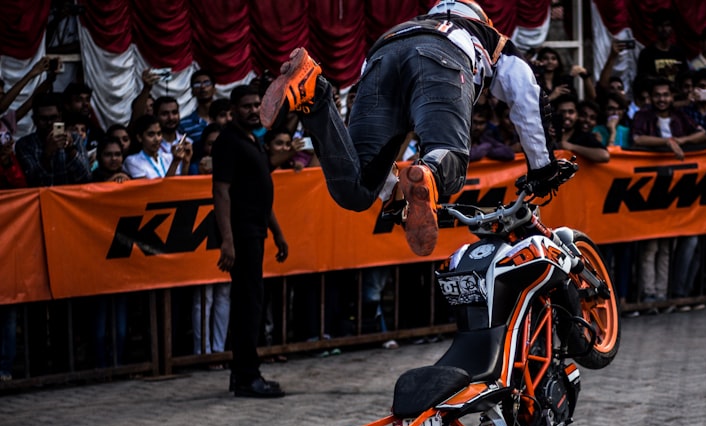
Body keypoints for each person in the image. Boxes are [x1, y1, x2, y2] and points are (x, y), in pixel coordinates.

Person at [259, 0, 561, 257]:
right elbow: (528, 96)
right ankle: (431, 171)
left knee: (357, 189)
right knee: (448, 164)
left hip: (379, 56)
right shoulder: (490, 36)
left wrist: (393, 193)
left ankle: (317, 94)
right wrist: (543, 167)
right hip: (443, 54)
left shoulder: (408, 25)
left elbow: (386, 154)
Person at [213, 84, 289, 397]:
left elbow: (259, 193)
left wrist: (278, 231)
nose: (253, 109)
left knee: (252, 303)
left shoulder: (253, 141)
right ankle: (247, 377)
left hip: (257, 230)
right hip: (242, 234)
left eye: (257, 104)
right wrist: (227, 241)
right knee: (247, 305)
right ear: (233, 110)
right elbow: (221, 192)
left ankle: (242, 374)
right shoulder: (228, 142)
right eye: (246, 105)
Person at [631, 78, 706, 309]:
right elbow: (638, 138)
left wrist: (679, 141)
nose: (662, 99)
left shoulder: (680, 116)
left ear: (672, 97)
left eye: (666, 95)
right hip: (650, 188)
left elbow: (702, 134)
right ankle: (649, 296)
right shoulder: (642, 116)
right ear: (651, 97)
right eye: (658, 95)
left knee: (666, 247)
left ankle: (663, 297)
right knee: (650, 246)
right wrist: (666, 143)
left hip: (675, 189)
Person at [15, 93, 91, 186]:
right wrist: (47, 154)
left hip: (69, 198)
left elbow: (86, 178)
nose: (49, 123)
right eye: (44, 119)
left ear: (60, 117)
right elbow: (32, 181)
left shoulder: (74, 138)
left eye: (53, 118)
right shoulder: (25, 144)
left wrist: (70, 150)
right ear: (34, 120)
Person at [123, 114, 192, 179]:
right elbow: (154, 190)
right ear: (140, 138)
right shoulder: (132, 161)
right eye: (151, 134)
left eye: (159, 134)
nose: (157, 139)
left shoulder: (168, 157)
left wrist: (186, 163)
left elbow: (178, 185)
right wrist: (175, 162)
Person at [635, 8, 687, 83]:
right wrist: (662, 74)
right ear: (655, 27)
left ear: (672, 28)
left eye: (667, 25)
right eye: (660, 25)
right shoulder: (646, 54)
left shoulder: (679, 53)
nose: (664, 29)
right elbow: (642, 80)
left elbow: (685, 78)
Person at [179, 70, 217, 144]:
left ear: (214, 89)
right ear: (192, 92)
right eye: (197, 84)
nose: (202, 87)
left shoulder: (227, 119)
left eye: (207, 83)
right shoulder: (184, 124)